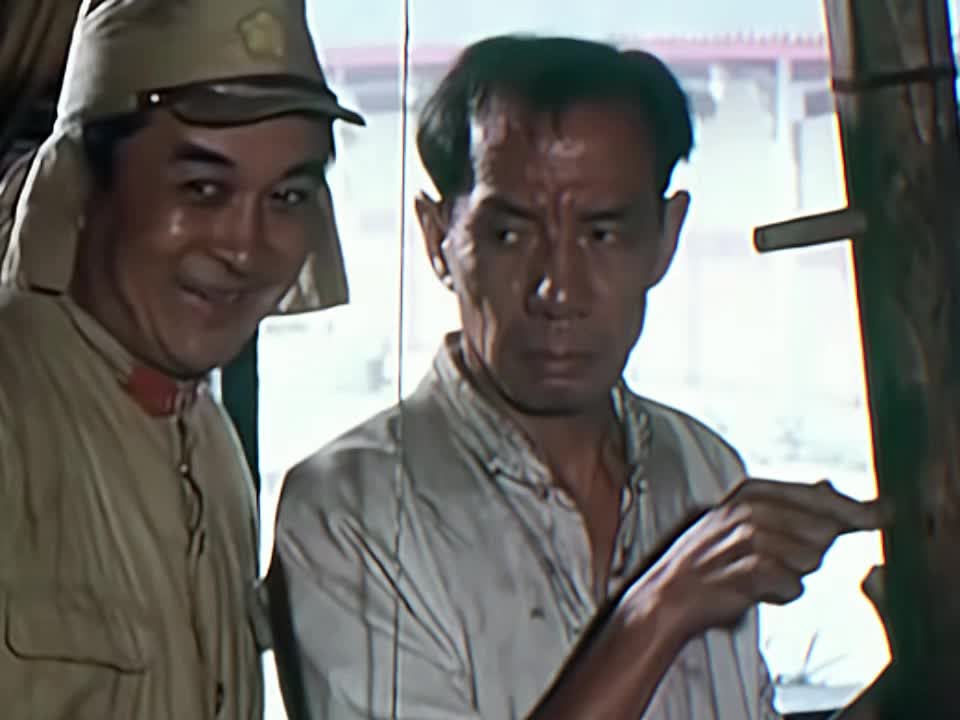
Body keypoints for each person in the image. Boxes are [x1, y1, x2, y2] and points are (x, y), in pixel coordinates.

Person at [268, 36, 886, 719]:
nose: (558, 289)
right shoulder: (354, 509)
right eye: (509, 236)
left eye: (603, 234)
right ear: (438, 238)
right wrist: (662, 607)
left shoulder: (704, 470)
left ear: (666, 237)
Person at [0, 0, 363, 718]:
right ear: (81, 183)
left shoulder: (209, 442)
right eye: (202, 189)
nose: (245, 248)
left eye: (287, 195)